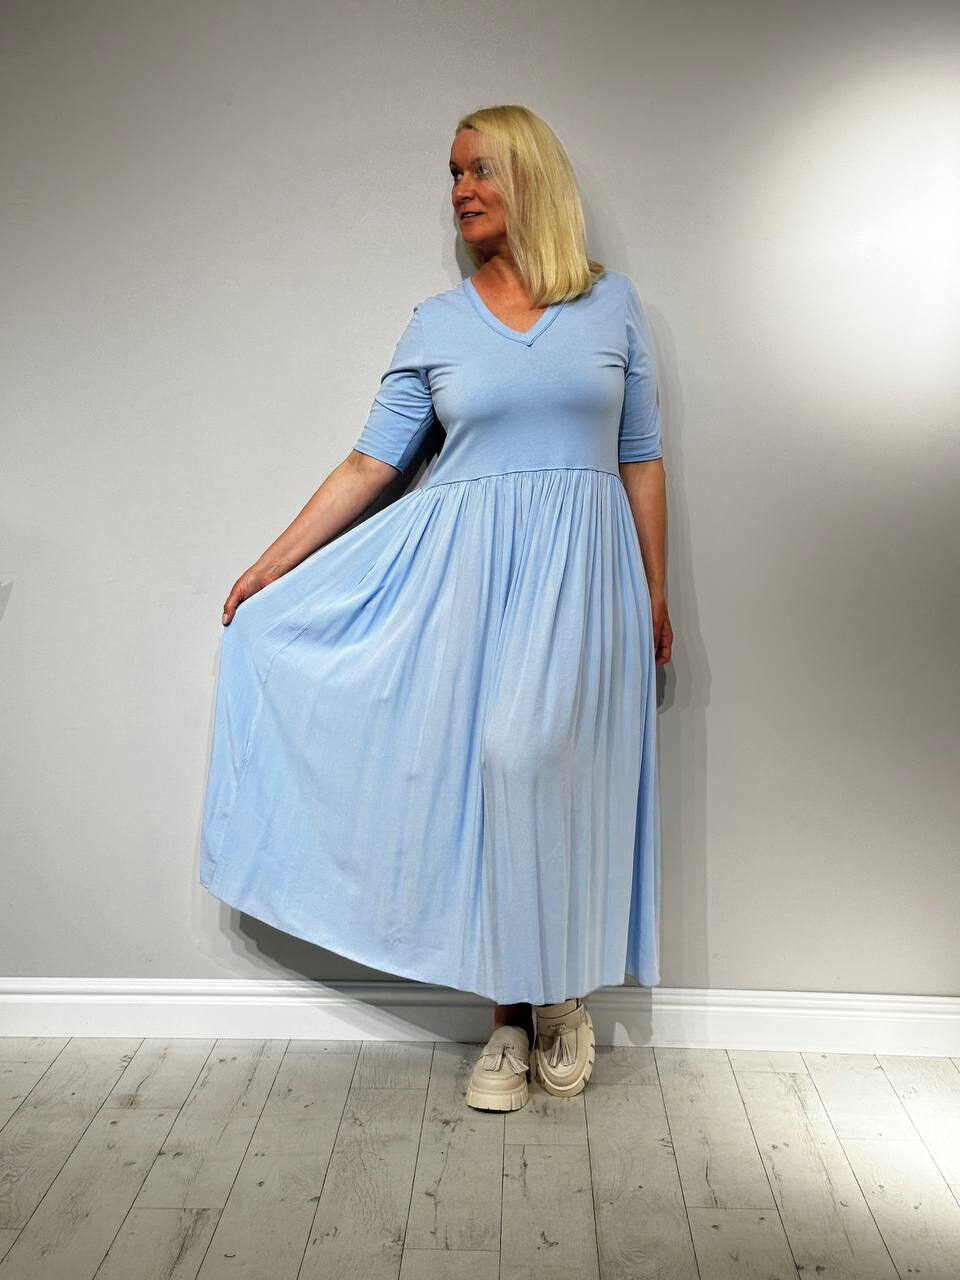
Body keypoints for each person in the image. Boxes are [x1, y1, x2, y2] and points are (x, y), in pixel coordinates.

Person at [199, 104, 673, 1113]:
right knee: (494, 775)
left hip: (584, 576)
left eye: (480, 170)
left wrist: (655, 588)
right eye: (454, 174)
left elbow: (640, 457)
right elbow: (371, 463)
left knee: (550, 772)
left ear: (530, 177)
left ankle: (561, 997)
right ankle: (512, 1019)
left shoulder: (612, 306)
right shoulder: (438, 322)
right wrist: (270, 567)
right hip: (466, 582)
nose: (461, 190)